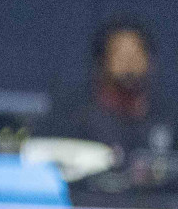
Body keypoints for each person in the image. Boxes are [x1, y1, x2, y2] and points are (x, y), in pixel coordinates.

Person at [72, 19, 174, 160]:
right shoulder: (81, 120)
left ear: (150, 61)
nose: (129, 62)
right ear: (102, 62)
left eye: (136, 52)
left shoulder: (170, 118)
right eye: (120, 53)